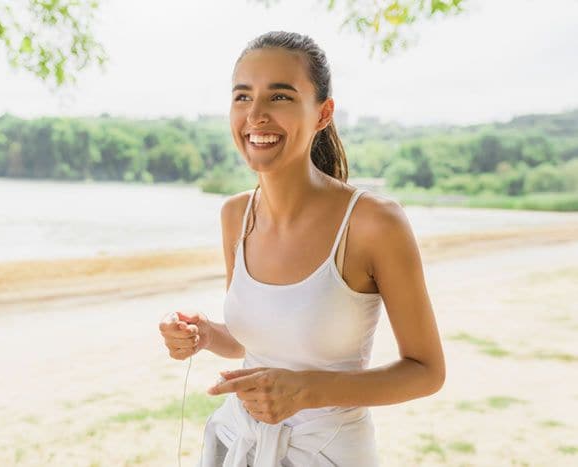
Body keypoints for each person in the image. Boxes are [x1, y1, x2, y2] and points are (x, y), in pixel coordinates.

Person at [159, 30, 446, 467]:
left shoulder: (373, 223)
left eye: (279, 97)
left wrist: (308, 391)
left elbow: (426, 371)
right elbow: (261, 337)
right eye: (242, 97)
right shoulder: (235, 215)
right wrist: (205, 335)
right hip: (239, 444)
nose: (255, 115)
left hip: (329, 454)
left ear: (323, 114)